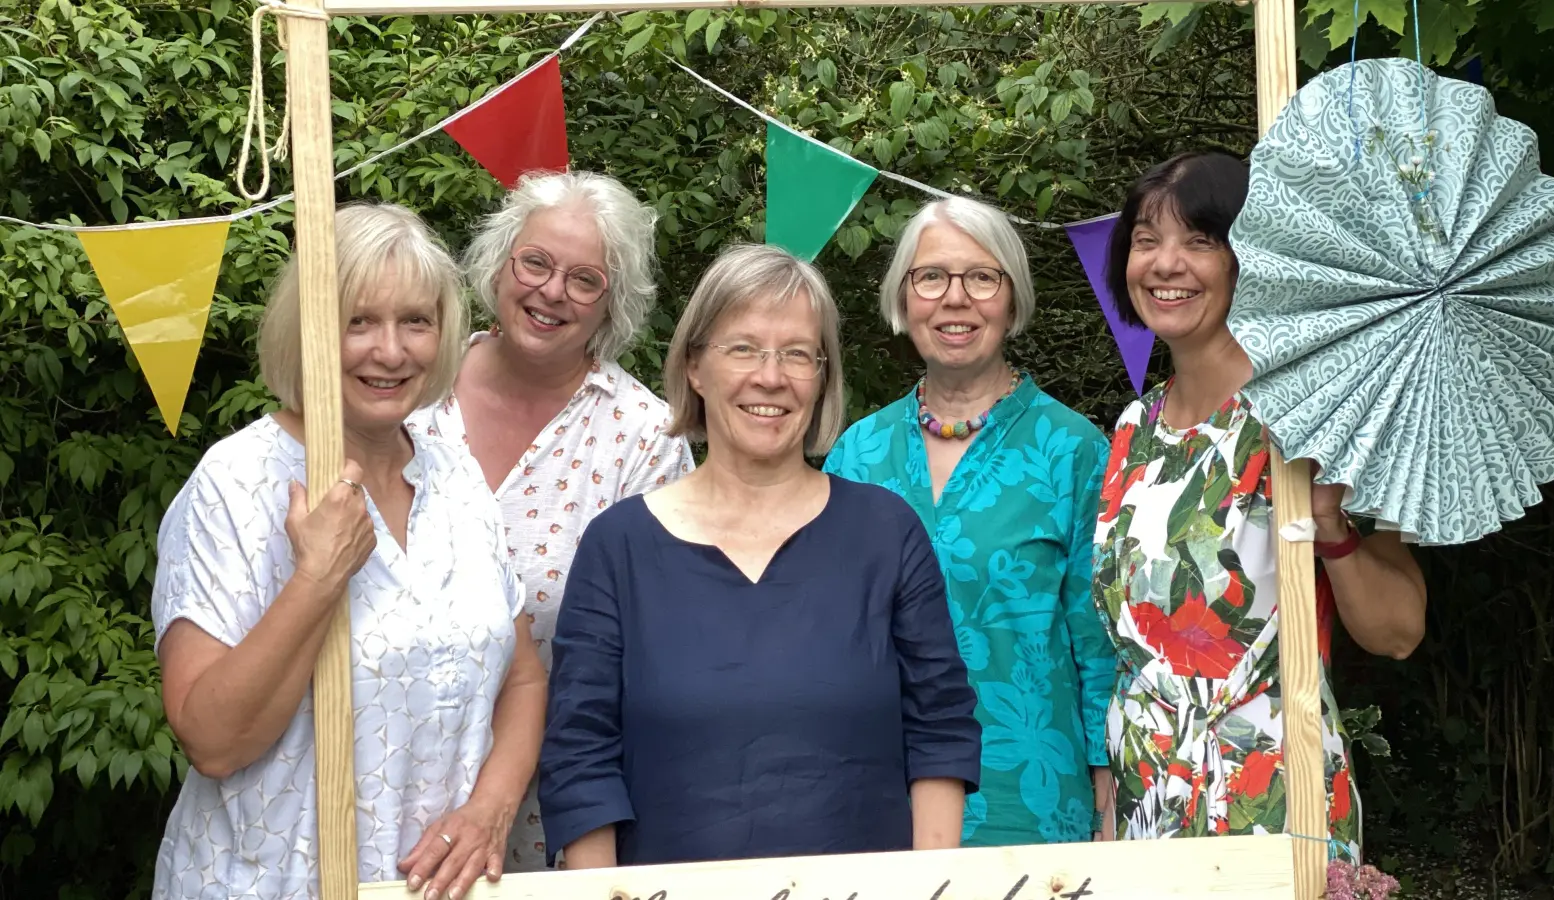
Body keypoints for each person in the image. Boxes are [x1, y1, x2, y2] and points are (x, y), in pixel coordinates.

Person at [536, 243, 983, 868]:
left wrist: (930, 886)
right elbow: (580, 758)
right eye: (742, 348)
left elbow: (940, 729)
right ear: (695, 366)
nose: (770, 377)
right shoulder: (619, 548)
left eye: (798, 353)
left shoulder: (886, 533)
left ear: (822, 375)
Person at [149, 203, 548, 900]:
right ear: (307, 331)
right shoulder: (236, 483)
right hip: (269, 885)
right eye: (358, 322)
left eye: (415, 322)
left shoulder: (456, 475)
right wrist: (318, 577)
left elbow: (522, 680)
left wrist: (491, 809)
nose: (390, 352)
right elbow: (213, 742)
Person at [1091, 151, 1428, 850]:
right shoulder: (1132, 431)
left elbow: (1397, 632)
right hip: (1146, 801)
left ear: (1251, 259)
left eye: (1199, 241)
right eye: (1147, 241)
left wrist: (1331, 525)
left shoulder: (1318, 413)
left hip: (1274, 797)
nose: (1165, 264)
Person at [409, 171, 694, 870]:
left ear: (611, 304)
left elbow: (655, 661)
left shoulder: (644, 439)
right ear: (501, 263)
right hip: (386, 778)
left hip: (558, 815)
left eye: (584, 279)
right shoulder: (410, 385)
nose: (551, 291)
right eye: (535, 261)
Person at [823, 196, 1118, 846]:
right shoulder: (856, 453)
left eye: (982, 277)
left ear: (1012, 301)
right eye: (931, 277)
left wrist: (1106, 769)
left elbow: (1096, 633)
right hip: (876, 791)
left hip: (1030, 792)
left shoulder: (1074, 451)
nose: (955, 299)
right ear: (904, 301)